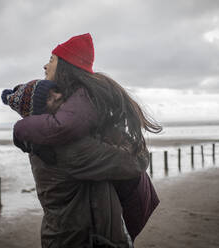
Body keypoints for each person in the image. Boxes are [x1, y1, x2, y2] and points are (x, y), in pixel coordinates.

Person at [13, 33, 161, 247]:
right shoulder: (68, 147)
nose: (45, 66)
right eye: (49, 97)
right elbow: (135, 162)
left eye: (51, 60)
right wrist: (116, 135)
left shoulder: (43, 135)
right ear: (39, 111)